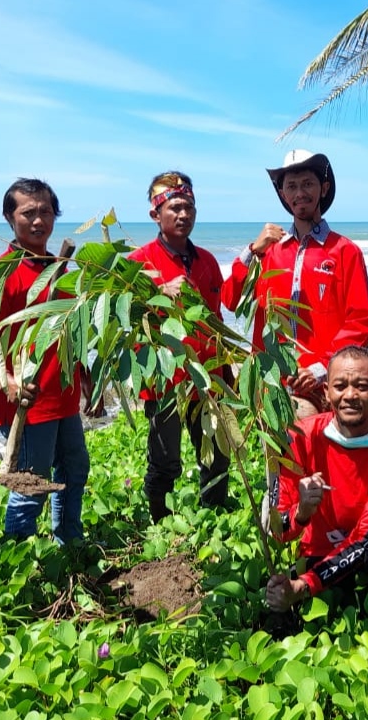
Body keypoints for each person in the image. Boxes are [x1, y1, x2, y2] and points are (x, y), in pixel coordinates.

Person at [0, 178, 90, 543]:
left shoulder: (58, 267)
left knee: (74, 469)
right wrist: (5, 380)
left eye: (46, 212)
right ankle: (15, 558)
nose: (38, 221)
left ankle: (69, 543)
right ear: (9, 217)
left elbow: (68, 328)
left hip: (60, 393)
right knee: (30, 487)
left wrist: (83, 372)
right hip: (26, 400)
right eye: (28, 213)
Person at [264, 346, 368, 611]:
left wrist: (305, 585)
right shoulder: (296, 440)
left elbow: (365, 537)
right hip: (318, 554)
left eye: (362, 386)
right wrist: (302, 512)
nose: (350, 395)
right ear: (326, 392)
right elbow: (279, 531)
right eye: (340, 386)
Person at [222, 150, 368, 418]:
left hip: (324, 386)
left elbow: (359, 321)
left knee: (320, 457)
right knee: (278, 459)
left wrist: (322, 367)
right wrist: (251, 251)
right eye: (291, 186)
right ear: (282, 194)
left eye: (307, 184)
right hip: (272, 386)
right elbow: (230, 300)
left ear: (323, 188)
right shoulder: (269, 252)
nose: (299, 193)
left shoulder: (345, 251)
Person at [127, 171, 231, 521]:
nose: (183, 215)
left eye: (189, 207)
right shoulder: (136, 264)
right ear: (156, 215)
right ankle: (161, 524)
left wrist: (227, 373)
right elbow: (120, 322)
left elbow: (216, 321)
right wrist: (156, 294)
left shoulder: (208, 261)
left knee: (217, 454)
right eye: (174, 208)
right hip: (164, 380)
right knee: (164, 459)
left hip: (208, 377)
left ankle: (213, 520)